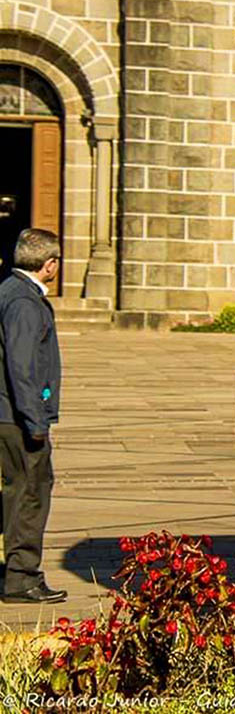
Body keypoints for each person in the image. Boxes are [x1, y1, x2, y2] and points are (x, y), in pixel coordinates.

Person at [0, 228, 65, 603]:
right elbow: (21, 366)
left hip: (10, 412)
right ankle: (21, 578)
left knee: (18, 489)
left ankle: (13, 570)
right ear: (50, 264)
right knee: (31, 492)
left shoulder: (10, 290)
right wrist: (35, 421)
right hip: (17, 416)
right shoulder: (24, 302)